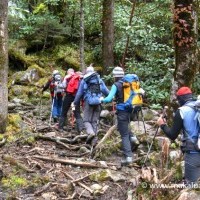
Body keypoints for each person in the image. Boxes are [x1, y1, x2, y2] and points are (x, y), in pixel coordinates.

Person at [157, 86, 200, 183]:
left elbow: (172, 135)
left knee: (191, 188)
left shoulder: (182, 111)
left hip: (193, 153)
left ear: (180, 99)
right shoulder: (198, 106)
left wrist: (162, 125)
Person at [101, 66, 139, 166]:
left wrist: (101, 100)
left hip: (122, 111)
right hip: (132, 110)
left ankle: (128, 157)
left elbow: (109, 98)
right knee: (124, 127)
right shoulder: (131, 83)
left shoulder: (116, 85)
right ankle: (134, 138)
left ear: (114, 76)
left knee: (124, 134)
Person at [73, 66, 109, 143]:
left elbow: (79, 93)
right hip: (98, 102)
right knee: (94, 121)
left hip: (88, 102)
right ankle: (94, 142)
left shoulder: (84, 80)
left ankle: (91, 133)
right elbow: (106, 91)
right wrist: (108, 99)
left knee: (86, 120)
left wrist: (75, 102)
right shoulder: (99, 80)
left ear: (87, 72)